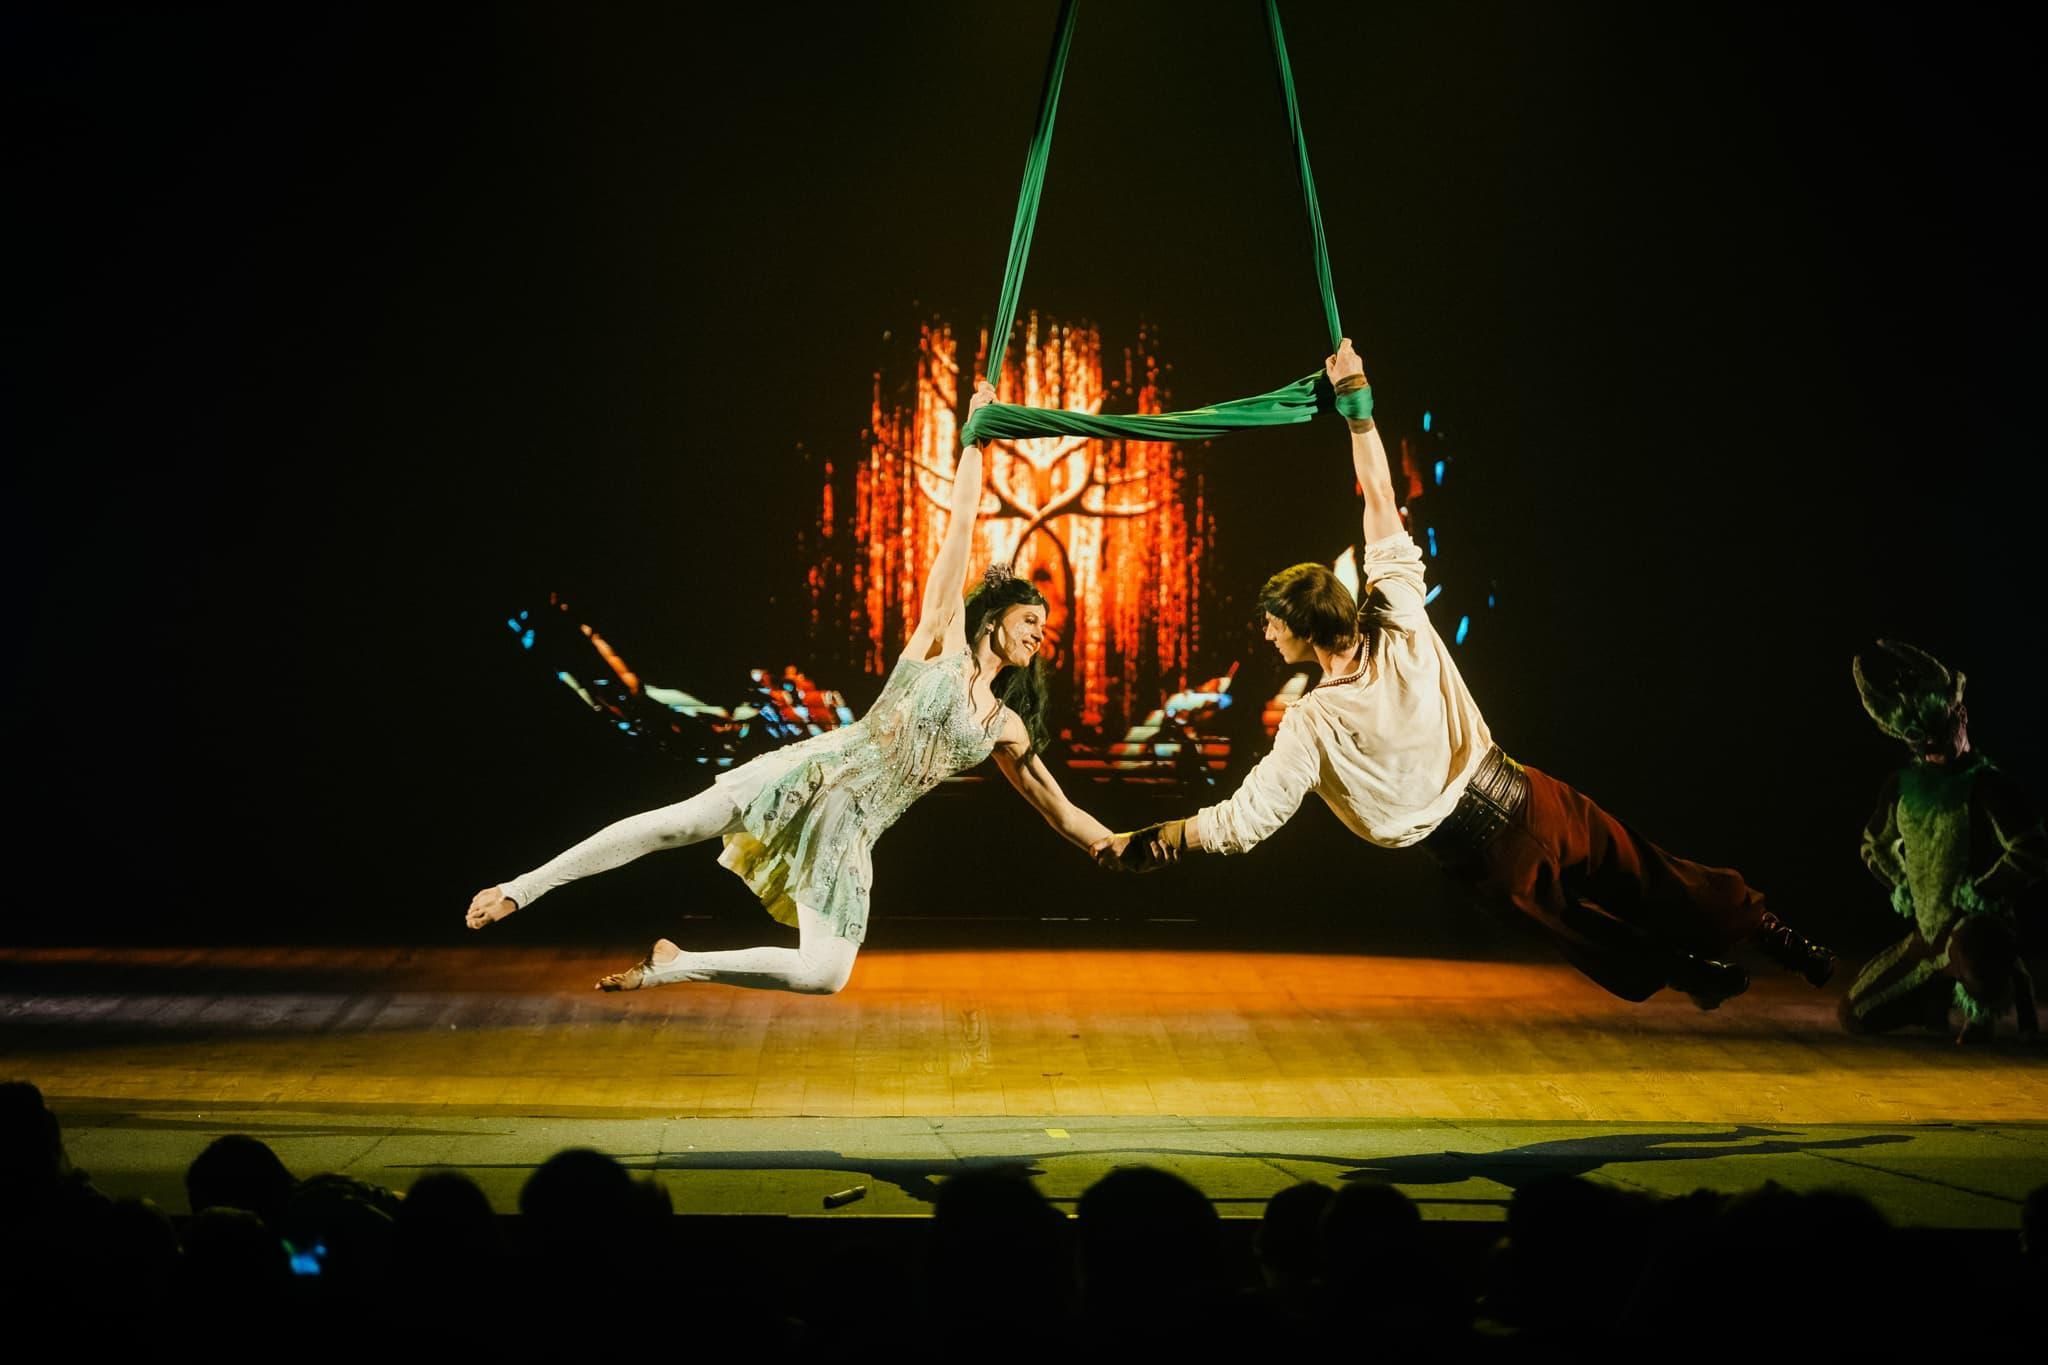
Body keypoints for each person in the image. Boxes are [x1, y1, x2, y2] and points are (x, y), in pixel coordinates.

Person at [1101, 340, 1836, 1009]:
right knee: (1647, 872)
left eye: (1272, 621)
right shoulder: (1396, 615)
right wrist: (1357, 407)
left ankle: (1692, 970)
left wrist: (1168, 837)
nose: (1265, 632)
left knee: (1592, 930)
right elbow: (1379, 499)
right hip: (1530, 797)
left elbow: (1246, 821)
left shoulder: (1314, 722)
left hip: (1487, 853)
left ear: (1302, 629)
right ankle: (1766, 931)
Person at [468, 380, 1117, 992]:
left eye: (1044, 629)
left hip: (854, 827)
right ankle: (520, 888)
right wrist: (977, 435)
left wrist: (1113, 845)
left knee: (825, 973)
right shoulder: (939, 640)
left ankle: (677, 964)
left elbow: (1060, 810)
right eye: (1030, 620)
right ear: (994, 618)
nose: (1039, 635)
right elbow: (961, 524)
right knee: (678, 824)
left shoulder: (1004, 725)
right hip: (815, 772)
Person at [1840, 640, 2045, 1040]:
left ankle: (1999, 983)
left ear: (1961, 716)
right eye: (1919, 740)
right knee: (1855, 1015)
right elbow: (1873, 845)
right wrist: (1903, 885)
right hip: (1927, 934)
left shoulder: (1988, 784)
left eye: (1940, 732)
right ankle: (1934, 997)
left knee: (1978, 957)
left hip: (1974, 931)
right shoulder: (1900, 786)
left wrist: (1980, 893)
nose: (1932, 749)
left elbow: (2032, 851)